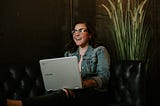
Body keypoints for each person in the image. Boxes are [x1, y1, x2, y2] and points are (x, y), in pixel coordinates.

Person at [6, 20, 110, 106]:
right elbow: (64, 77)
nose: (76, 33)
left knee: (63, 96)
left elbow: (104, 77)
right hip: (74, 92)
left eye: (81, 30)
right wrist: (62, 86)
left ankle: (18, 104)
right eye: (74, 31)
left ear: (90, 35)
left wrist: (85, 83)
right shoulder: (69, 54)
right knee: (55, 93)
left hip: (95, 94)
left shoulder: (99, 50)